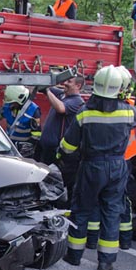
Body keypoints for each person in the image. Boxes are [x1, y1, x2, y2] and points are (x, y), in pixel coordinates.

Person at [58, 65, 136, 270]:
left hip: (91, 166)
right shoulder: (127, 111)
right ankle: (106, 261)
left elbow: (68, 146)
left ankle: (74, 256)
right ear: (119, 89)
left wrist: (61, 155)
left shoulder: (84, 113)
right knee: (111, 211)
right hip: (117, 166)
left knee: (81, 210)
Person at [86, 67, 136, 250]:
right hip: (122, 160)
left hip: (114, 159)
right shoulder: (129, 106)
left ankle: (93, 240)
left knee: (99, 200)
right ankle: (124, 241)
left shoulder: (118, 106)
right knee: (118, 203)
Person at [37, 74, 85, 205]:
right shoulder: (63, 95)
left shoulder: (77, 101)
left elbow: (60, 108)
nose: (66, 83)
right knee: (46, 183)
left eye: (69, 81)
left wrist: (46, 91)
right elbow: (51, 89)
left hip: (58, 153)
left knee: (58, 184)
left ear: (78, 86)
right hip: (48, 150)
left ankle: (60, 211)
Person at [1, 85, 41, 158]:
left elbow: (36, 134)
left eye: (13, 103)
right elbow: (0, 115)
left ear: (20, 100)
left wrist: (28, 147)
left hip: (23, 150)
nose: (11, 104)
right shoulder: (9, 106)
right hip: (8, 146)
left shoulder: (33, 111)